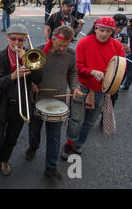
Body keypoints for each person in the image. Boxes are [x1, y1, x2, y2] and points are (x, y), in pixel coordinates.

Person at [61, 17, 125, 160]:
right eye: (101, 30)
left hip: (101, 89)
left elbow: (121, 68)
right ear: (95, 28)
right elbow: (77, 66)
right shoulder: (84, 42)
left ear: (112, 32)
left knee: (89, 121)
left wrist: (112, 80)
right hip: (82, 85)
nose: (104, 34)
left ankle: (79, 144)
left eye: (108, 31)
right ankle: (69, 143)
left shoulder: (117, 46)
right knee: (76, 118)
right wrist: (91, 71)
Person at [25, 25, 83, 179]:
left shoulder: (71, 54)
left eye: (66, 45)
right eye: (60, 45)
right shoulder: (39, 51)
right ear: (53, 39)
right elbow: (28, 71)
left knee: (54, 136)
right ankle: (33, 146)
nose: (63, 48)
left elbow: (72, 73)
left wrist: (75, 87)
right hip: (37, 98)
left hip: (58, 100)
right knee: (34, 130)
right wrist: (31, 82)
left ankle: (51, 167)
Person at [0, 24, 43, 175]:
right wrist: (13, 76)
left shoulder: (30, 56)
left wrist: (27, 61)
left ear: (25, 40)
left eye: (20, 40)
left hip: (21, 105)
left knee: (12, 137)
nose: (17, 43)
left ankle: (4, 160)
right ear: (7, 38)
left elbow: (38, 79)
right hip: (1, 104)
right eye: (13, 39)